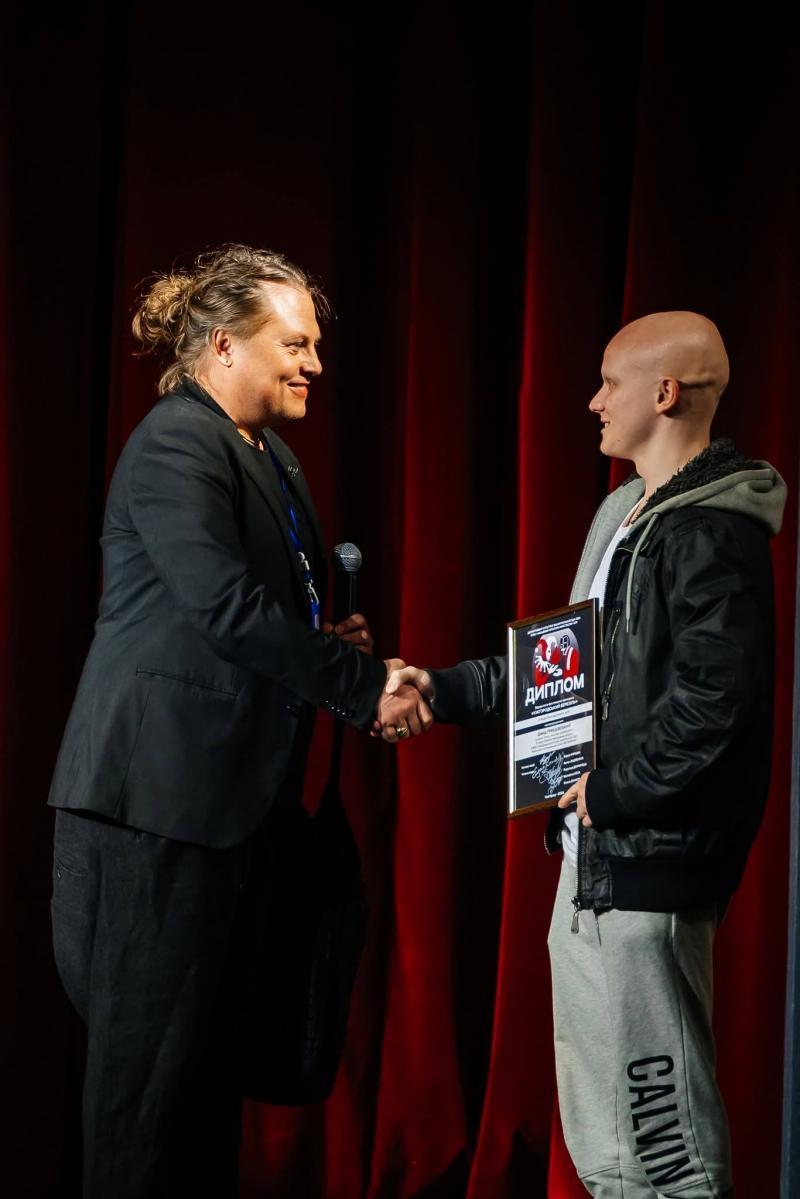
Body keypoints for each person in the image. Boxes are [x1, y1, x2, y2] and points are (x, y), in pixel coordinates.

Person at [48, 244, 431, 1198]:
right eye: (294, 344)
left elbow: (253, 615)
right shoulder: (178, 443)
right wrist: (357, 681)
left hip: (233, 820)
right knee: (144, 1107)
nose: (315, 364)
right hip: (157, 811)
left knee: (206, 1097)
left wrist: (326, 637)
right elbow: (222, 605)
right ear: (224, 344)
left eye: (315, 345)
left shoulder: (273, 455)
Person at [385, 311, 786, 1197]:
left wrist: (613, 793)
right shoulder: (620, 515)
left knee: (668, 1149)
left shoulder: (712, 533)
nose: (594, 401)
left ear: (665, 392)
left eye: (610, 381)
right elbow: (561, 673)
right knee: (605, 1147)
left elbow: (715, 709)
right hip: (590, 863)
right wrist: (440, 688)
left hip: (648, 868)